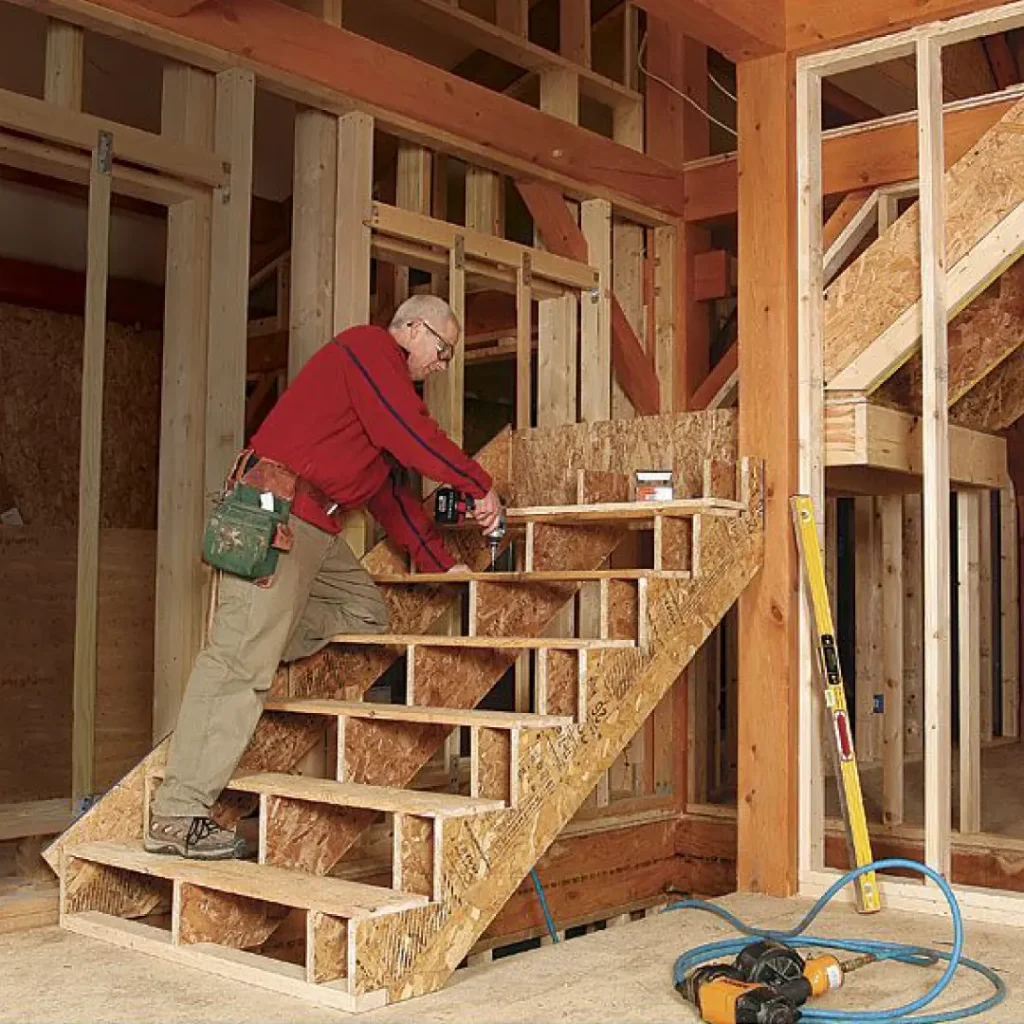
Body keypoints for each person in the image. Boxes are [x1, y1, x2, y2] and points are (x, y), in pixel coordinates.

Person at [146, 294, 502, 860]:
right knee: (239, 666)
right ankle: (177, 813)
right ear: (412, 327)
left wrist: (443, 564)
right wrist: (477, 483)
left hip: (316, 529)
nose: (442, 363)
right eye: (443, 349)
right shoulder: (367, 350)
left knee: (366, 611)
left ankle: (256, 636)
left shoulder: (384, 403)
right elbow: (413, 435)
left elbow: (392, 499)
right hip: (278, 513)